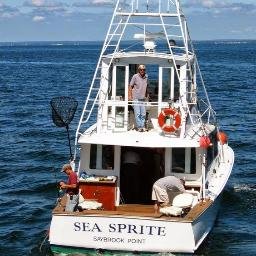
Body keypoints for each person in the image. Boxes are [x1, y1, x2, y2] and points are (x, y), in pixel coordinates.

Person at [128, 64, 149, 132]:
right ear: (139, 70)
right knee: (137, 113)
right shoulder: (135, 76)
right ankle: (140, 127)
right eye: (141, 69)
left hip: (143, 98)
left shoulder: (146, 76)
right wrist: (130, 96)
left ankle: (142, 126)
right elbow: (130, 86)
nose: (142, 71)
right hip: (136, 98)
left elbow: (146, 86)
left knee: (143, 113)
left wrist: (147, 95)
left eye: (143, 69)